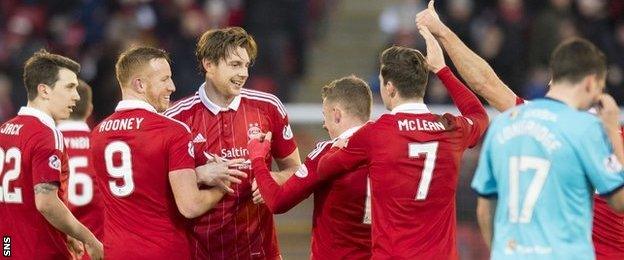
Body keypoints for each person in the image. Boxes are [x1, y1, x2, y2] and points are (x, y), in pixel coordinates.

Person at [416, 2, 624, 258]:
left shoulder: (518, 121)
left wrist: (442, 32)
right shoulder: (599, 134)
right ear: (594, 85)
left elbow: (485, 84)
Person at [315, 27, 489, 259]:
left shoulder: (374, 134)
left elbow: (324, 169)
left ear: (389, 87)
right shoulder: (451, 128)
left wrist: (342, 144)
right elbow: (479, 115)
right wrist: (443, 70)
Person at [90, 46, 241, 259]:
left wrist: (196, 174)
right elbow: (190, 205)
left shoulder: (98, 133)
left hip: (117, 251)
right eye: (164, 79)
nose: (172, 86)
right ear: (139, 84)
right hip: (164, 250)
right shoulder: (172, 131)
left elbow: (140, 183)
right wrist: (225, 185)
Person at [164, 27, 301, 259]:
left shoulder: (268, 107)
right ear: (209, 65)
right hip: (197, 251)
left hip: (260, 250)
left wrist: (275, 178)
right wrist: (198, 175)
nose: (244, 73)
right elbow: (158, 188)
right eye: (235, 65)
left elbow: (295, 168)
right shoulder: (176, 119)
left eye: (246, 65)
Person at [247, 75, 373, 259]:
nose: (324, 124)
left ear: (337, 114)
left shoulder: (328, 154)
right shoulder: (390, 148)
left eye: (325, 115)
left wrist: (257, 159)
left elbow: (277, 201)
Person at [0, 50, 103, 259]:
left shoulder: (5, 129)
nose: (76, 96)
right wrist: (88, 238)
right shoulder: (46, 134)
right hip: (41, 251)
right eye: (69, 87)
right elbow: (46, 202)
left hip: (8, 247)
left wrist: (67, 231)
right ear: (44, 90)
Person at [57, 80, 103, 259]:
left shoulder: (45, 144)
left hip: (57, 249)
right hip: (95, 249)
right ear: (89, 109)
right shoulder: (102, 146)